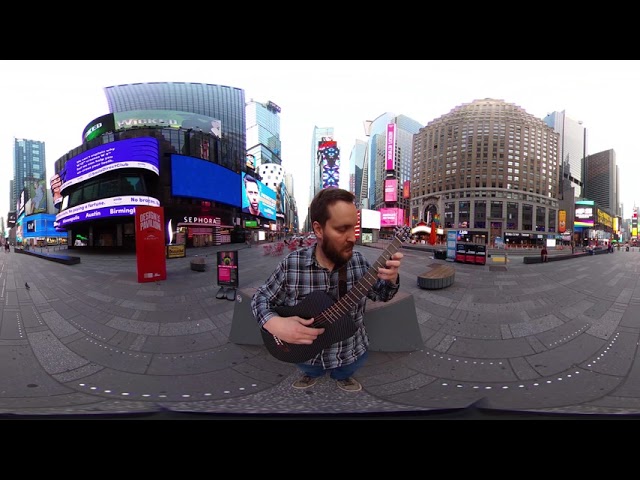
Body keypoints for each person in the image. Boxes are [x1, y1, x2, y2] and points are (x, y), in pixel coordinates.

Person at [251, 188, 403, 392]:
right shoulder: (292, 264)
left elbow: (382, 294)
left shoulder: (358, 262)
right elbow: (261, 298)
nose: (352, 238)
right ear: (319, 229)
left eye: (354, 229)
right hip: (306, 354)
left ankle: (343, 377)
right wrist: (273, 323)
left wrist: (391, 280)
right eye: (342, 229)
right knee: (309, 368)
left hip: (350, 351)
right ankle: (310, 375)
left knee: (347, 370)